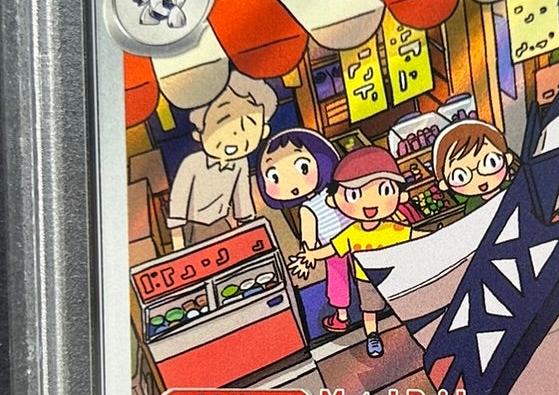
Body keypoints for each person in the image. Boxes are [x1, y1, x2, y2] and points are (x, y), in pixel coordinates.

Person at [291, 145, 426, 358]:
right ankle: (372, 336)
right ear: (334, 200)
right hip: (366, 279)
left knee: (403, 300)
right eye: (354, 194)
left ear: (400, 196)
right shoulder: (351, 232)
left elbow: (413, 235)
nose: (370, 203)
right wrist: (311, 255)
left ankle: (413, 327)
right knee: (369, 310)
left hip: (394, 274)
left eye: (384, 191)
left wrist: (439, 236)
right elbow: (332, 248)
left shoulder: (392, 228)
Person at [257, 128, 353, 336]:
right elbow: (308, 240)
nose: (292, 183)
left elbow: (309, 241)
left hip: (344, 243)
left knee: (344, 278)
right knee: (345, 278)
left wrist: (308, 255)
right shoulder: (312, 205)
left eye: (301, 167)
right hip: (338, 245)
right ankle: (345, 314)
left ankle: (344, 316)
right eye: (275, 177)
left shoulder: (330, 194)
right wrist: (307, 257)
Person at [166, 72, 273, 246]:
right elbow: (178, 203)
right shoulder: (192, 163)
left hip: (221, 224)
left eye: (248, 126)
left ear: (263, 132)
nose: (235, 136)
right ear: (200, 132)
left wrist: (248, 228)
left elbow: (241, 197)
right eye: (222, 123)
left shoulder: (240, 163)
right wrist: (178, 244)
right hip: (193, 227)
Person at [431, 117, 514, 214]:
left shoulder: (512, 187)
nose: (480, 178)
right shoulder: (473, 205)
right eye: (461, 177)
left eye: (492, 162)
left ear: (507, 159)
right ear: (444, 184)